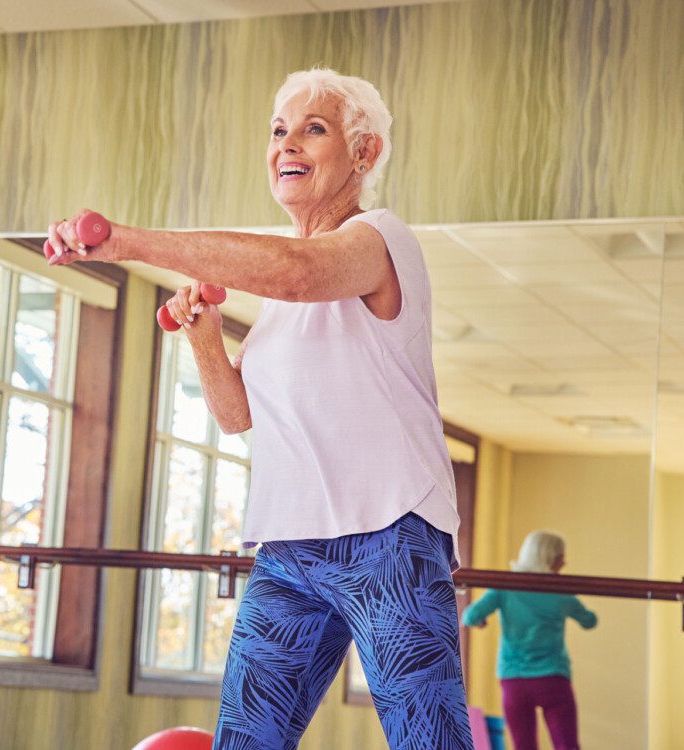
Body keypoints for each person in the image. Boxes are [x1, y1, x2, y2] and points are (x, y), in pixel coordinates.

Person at [46, 68, 473, 750]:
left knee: (429, 742)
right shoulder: (279, 298)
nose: (287, 145)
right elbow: (237, 415)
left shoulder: (378, 239)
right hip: (289, 547)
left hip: (389, 538)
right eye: (278, 131)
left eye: (313, 128)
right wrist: (205, 338)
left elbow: (297, 273)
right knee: (245, 741)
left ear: (363, 154)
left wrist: (128, 243)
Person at [463, 531, 598, 750]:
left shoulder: (505, 586)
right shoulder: (561, 592)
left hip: (514, 680)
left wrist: (481, 621)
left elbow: (470, 616)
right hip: (553, 679)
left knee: (524, 746)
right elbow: (590, 621)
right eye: (560, 557)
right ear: (549, 558)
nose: (564, 562)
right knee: (567, 745)